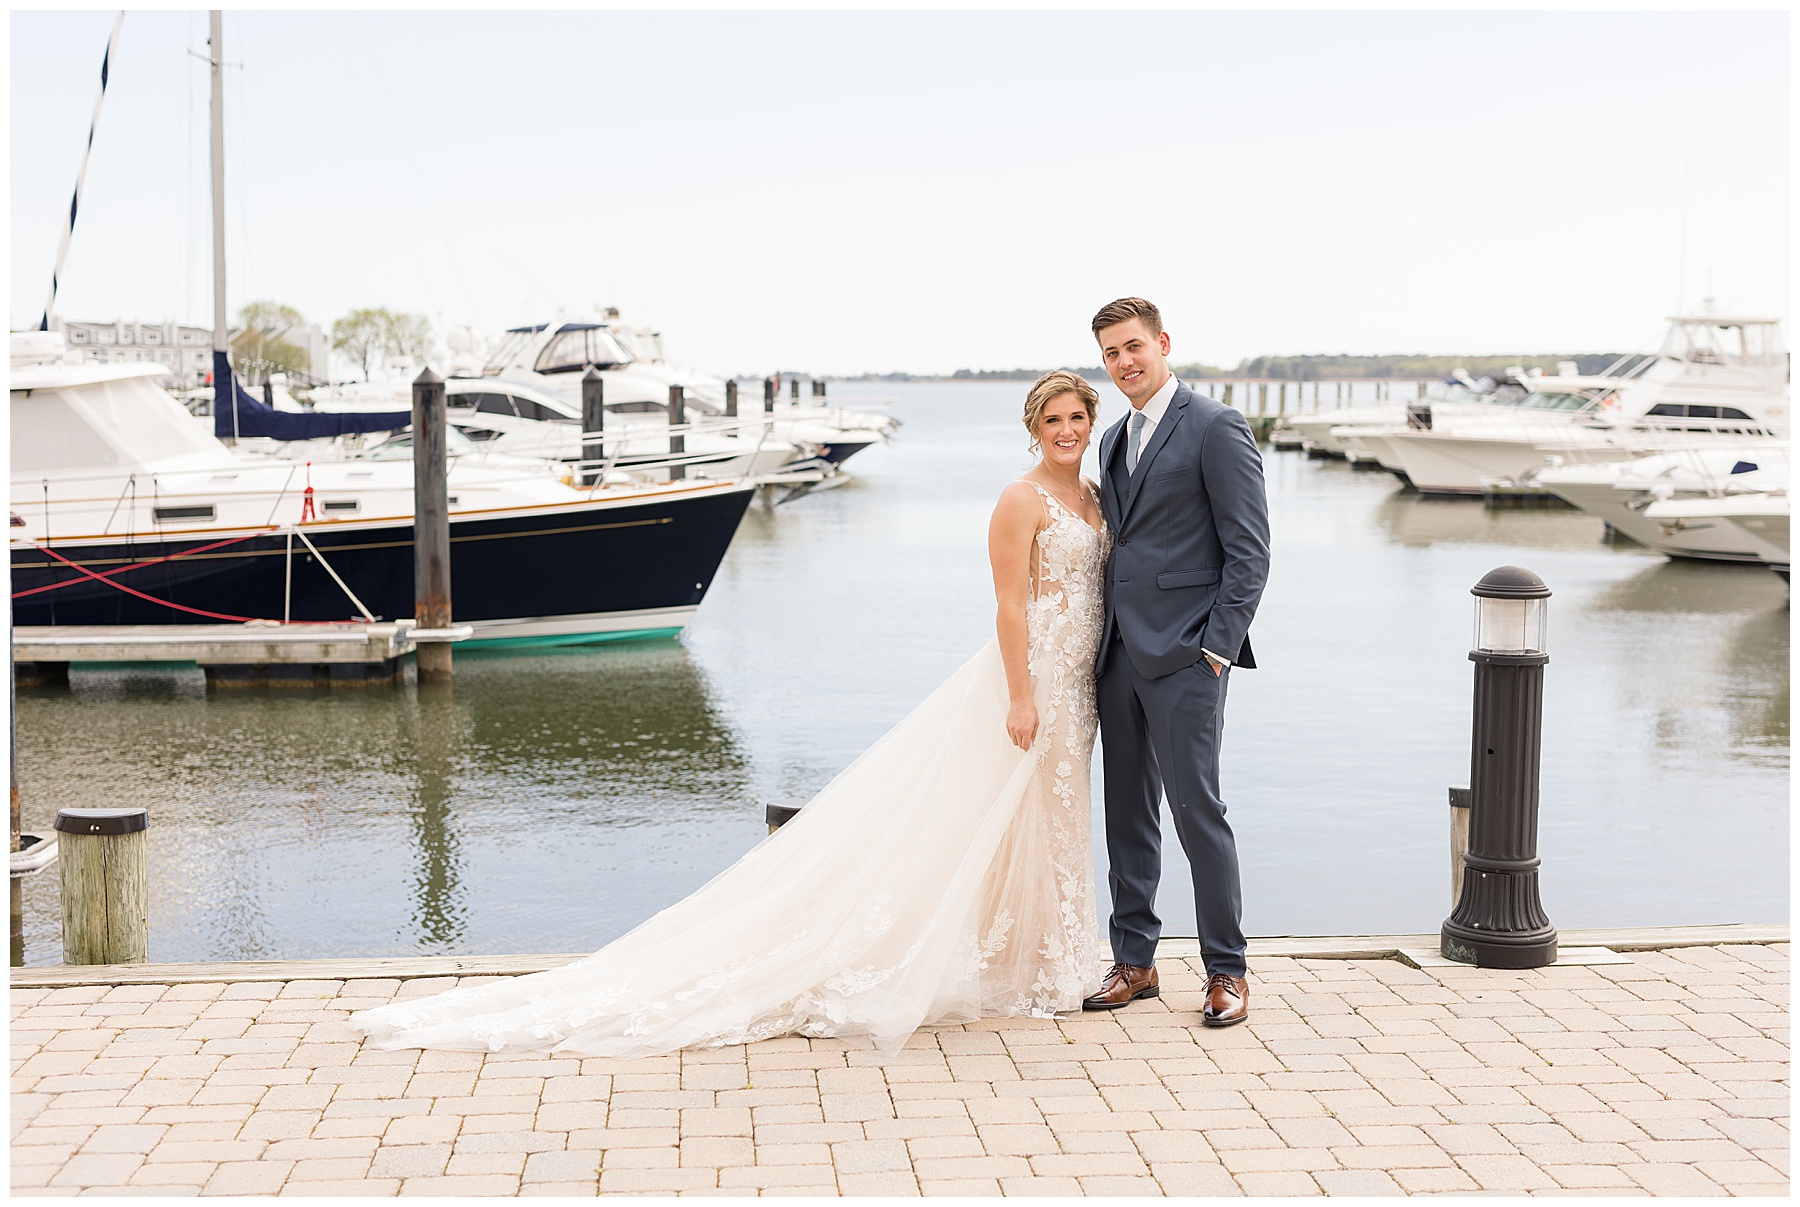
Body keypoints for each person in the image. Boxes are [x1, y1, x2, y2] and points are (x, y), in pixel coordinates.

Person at [351, 371, 1109, 1057]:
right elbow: (1009, 604)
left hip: (1078, 681)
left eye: (1078, 416)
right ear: (1033, 427)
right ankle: (1014, 963)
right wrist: (1019, 693)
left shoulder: (1093, 496)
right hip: (1033, 676)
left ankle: (1049, 959)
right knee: (997, 810)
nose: (1068, 429)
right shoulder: (1021, 498)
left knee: (1049, 814)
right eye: (1055, 420)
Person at [1080, 297, 1271, 1026]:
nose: (1124, 362)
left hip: (1190, 654)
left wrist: (1217, 649)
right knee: (1127, 813)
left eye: (1133, 347)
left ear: (1162, 343)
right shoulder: (1114, 437)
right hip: (1119, 653)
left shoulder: (1215, 426)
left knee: (1198, 813)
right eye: (1110, 354)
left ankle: (1227, 971)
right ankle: (1136, 960)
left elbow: (1248, 551)